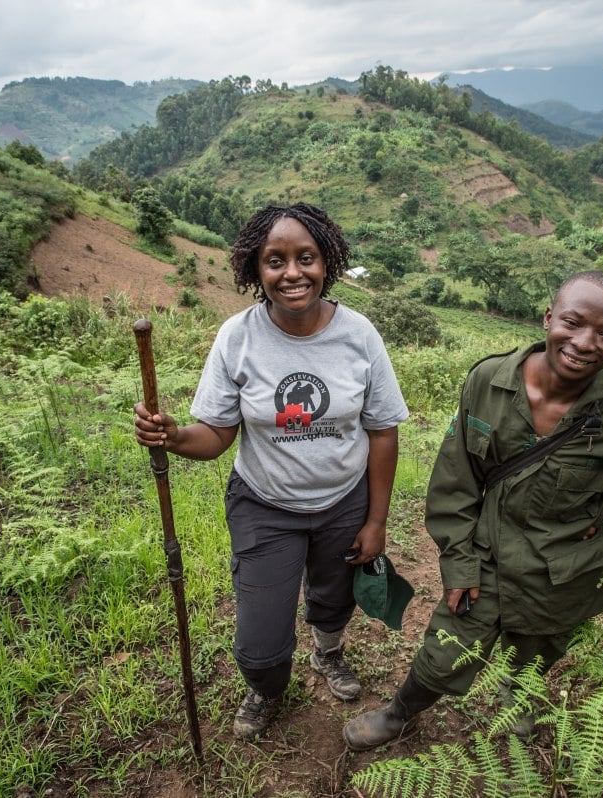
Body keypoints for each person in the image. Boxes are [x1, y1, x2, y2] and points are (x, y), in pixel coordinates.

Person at [343, 270, 603, 750]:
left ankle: (518, 698)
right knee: (445, 651)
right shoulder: (489, 380)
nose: (585, 342)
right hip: (484, 553)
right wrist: (460, 561)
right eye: (573, 322)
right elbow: (456, 479)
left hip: (561, 569)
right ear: (549, 317)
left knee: (536, 654)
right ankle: (401, 713)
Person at [134, 203, 409, 741]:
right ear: (254, 271)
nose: (292, 273)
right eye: (274, 261)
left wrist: (376, 521)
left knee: (334, 596)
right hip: (264, 504)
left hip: (343, 500)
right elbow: (215, 436)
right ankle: (265, 685)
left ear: (326, 261)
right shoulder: (238, 337)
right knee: (259, 645)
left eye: (305, 258)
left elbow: (382, 432)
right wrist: (172, 435)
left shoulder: (360, 336)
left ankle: (328, 653)